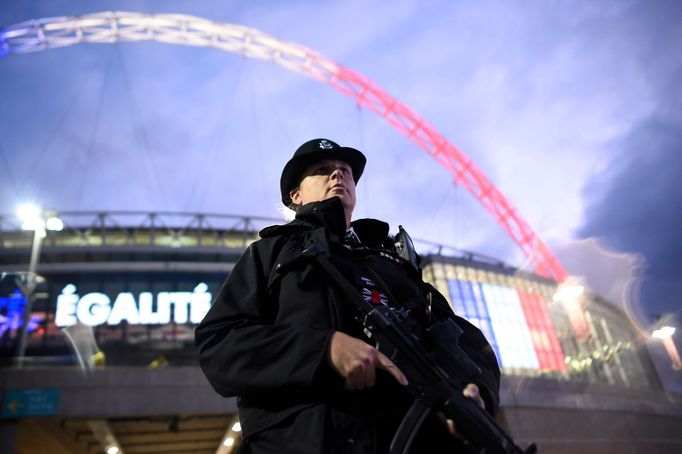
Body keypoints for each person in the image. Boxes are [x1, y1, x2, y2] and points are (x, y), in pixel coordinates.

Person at [195, 138, 501, 453]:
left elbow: (461, 337)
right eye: (323, 170)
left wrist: (476, 388)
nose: (338, 175)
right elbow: (219, 344)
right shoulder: (270, 254)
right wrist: (323, 349)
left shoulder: (393, 261)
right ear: (296, 195)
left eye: (345, 171)